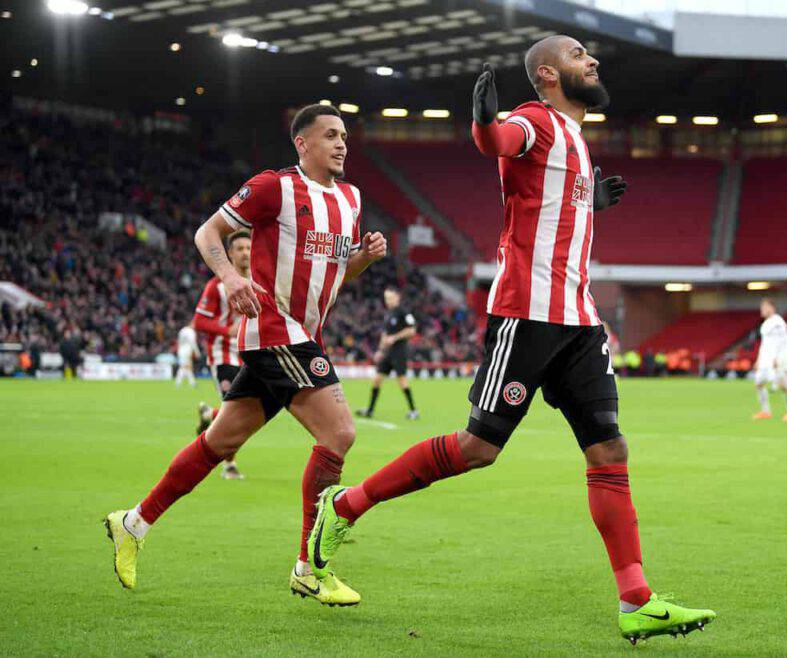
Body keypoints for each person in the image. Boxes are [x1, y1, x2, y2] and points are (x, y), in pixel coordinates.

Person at [307, 36, 715, 644]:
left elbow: (548, 206)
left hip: (578, 319)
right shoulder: (535, 121)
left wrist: (589, 206)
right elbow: (495, 142)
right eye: (580, 55)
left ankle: (637, 601)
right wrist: (480, 119)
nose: (593, 62)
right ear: (548, 74)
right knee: (479, 448)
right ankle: (343, 508)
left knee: (609, 452)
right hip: (526, 313)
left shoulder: (576, 138)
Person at [104, 103, 388, 607]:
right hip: (276, 330)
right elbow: (206, 232)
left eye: (344, 135)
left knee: (219, 440)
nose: (342, 143)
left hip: (306, 335)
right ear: (302, 144)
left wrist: (361, 260)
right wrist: (232, 278)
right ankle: (310, 566)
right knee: (339, 431)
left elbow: (335, 275)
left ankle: (133, 522)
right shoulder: (273, 187)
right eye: (329, 135)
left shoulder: (350, 198)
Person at [193, 229, 252, 480]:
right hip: (222, 355)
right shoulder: (217, 286)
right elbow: (199, 322)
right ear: (229, 253)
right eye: (240, 249)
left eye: (249, 248)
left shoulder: (261, 280)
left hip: (251, 355)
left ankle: (209, 415)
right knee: (233, 409)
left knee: (247, 412)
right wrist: (227, 330)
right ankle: (229, 465)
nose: (245, 253)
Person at [356, 286, 419, 420]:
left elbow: (412, 330)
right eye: (386, 298)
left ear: (397, 297)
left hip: (399, 351)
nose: (388, 301)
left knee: (401, 380)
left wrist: (395, 337)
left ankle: (413, 411)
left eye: (390, 298)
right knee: (377, 380)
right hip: (388, 352)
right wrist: (380, 350)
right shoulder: (388, 314)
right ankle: (370, 410)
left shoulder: (404, 312)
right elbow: (385, 334)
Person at [753, 298, 787, 420]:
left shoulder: (778, 322)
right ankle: (766, 411)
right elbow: (764, 344)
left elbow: (783, 341)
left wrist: (779, 357)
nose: (761, 310)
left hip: (774, 359)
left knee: (783, 385)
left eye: (764, 307)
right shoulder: (765, 324)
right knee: (758, 384)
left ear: (771, 308)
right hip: (764, 360)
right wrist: (758, 360)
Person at [174, 323, 200, 388]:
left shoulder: (182, 330)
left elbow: (179, 341)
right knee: (184, 367)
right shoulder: (191, 332)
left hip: (181, 350)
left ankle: (192, 382)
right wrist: (197, 352)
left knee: (186, 367)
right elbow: (193, 342)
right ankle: (178, 382)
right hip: (187, 350)